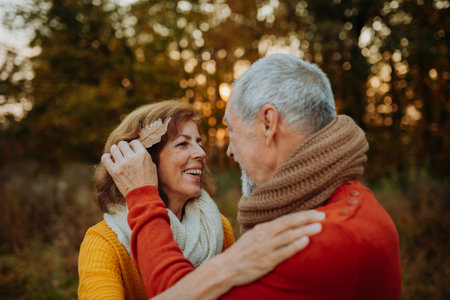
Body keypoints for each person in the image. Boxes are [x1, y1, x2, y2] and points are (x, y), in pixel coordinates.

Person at [103, 54, 402, 299]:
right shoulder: (350, 203)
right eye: (183, 143)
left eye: (232, 129)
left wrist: (142, 195)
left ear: (268, 122)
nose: (229, 151)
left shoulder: (311, 243)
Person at [79, 100, 325, 299]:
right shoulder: (104, 243)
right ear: (144, 160)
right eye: (182, 144)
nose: (200, 153)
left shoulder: (217, 226)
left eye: (198, 142)